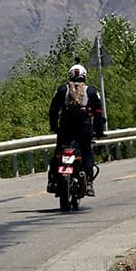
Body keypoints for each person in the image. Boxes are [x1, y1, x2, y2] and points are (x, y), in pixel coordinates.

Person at [48, 61, 106, 196]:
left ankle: (52, 180)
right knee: (86, 152)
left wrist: (54, 126)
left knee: (58, 152)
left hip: (65, 128)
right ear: (84, 76)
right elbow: (98, 114)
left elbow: (53, 110)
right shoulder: (91, 91)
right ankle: (89, 183)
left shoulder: (62, 90)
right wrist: (99, 131)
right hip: (84, 128)